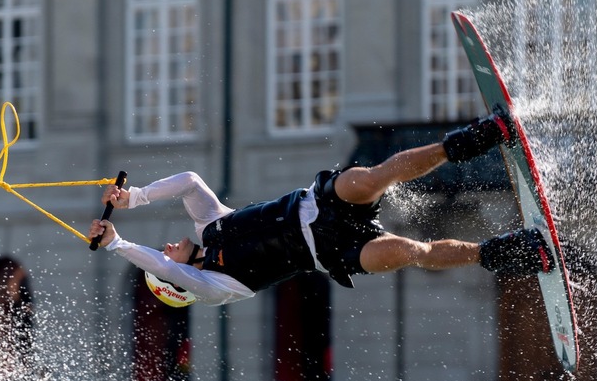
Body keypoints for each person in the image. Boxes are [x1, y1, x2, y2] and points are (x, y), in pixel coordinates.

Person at [87, 113, 554, 306]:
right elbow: (168, 267)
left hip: (319, 203)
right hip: (335, 252)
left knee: (372, 177)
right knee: (411, 250)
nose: (168, 247)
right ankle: (508, 252)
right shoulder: (214, 286)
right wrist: (120, 244)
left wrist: (134, 198)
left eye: (165, 250)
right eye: (167, 257)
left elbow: (189, 181)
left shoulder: (208, 225)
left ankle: (477, 138)